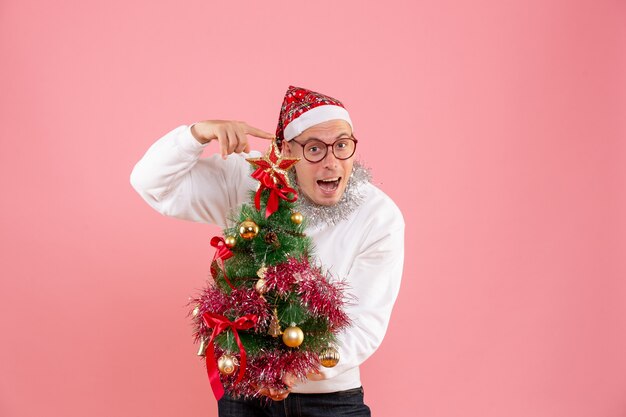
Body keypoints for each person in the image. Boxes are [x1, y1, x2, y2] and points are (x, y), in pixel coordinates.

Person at [130, 86, 405, 417]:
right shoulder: (250, 180)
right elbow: (151, 183)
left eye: (342, 145)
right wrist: (197, 134)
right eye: (315, 148)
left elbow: (364, 324)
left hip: (329, 399)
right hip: (246, 395)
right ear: (287, 150)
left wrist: (291, 369)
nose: (332, 163)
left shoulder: (378, 215)